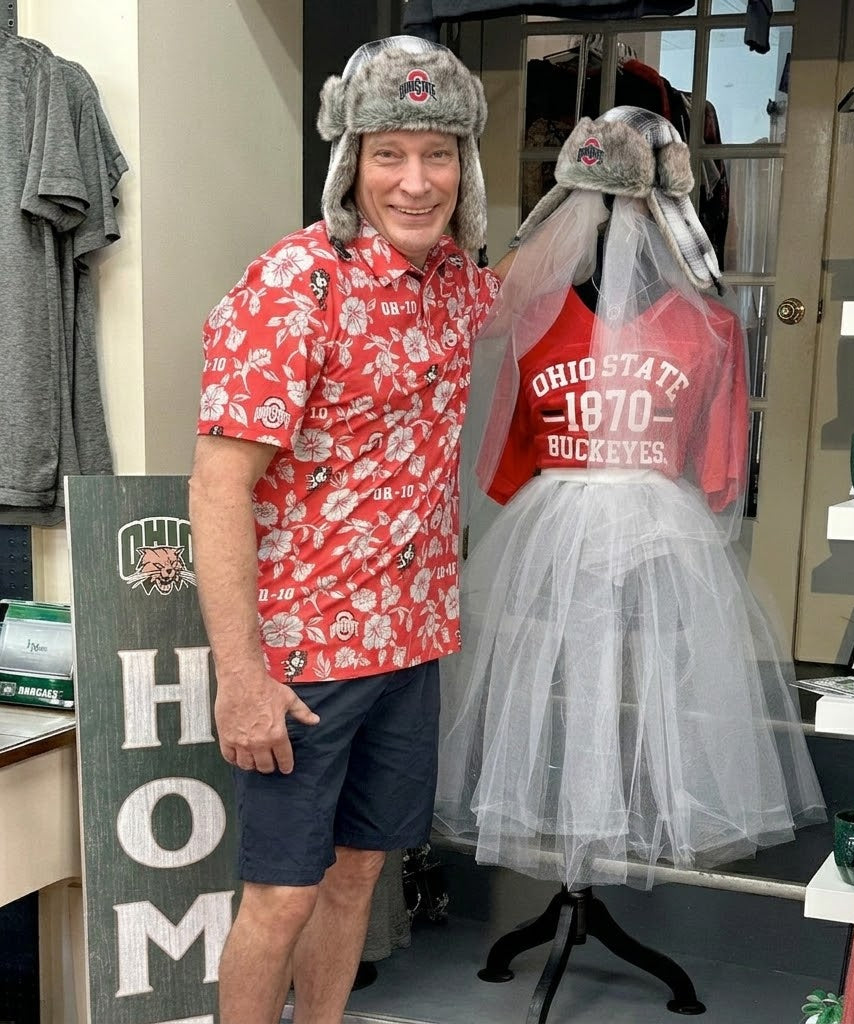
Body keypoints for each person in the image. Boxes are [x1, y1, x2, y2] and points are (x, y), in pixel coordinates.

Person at [188, 36, 500, 1024]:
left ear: (465, 164)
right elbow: (217, 487)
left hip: (409, 641)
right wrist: (241, 677)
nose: (416, 181)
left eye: (439, 153)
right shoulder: (294, 284)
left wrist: (603, 188)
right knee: (280, 893)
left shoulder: (457, 283)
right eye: (389, 153)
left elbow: (530, 277)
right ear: (350, 162)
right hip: (306, 657)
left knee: (361, 869)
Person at [435, 106, 825, 891]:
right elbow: (507, 454)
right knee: (553, 685)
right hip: (555, 531)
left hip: (650, 537)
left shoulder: (710, 328)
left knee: (647, 690)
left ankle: (616, 839)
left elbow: (718, 466)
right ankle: (574, 853)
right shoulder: (534, 319)